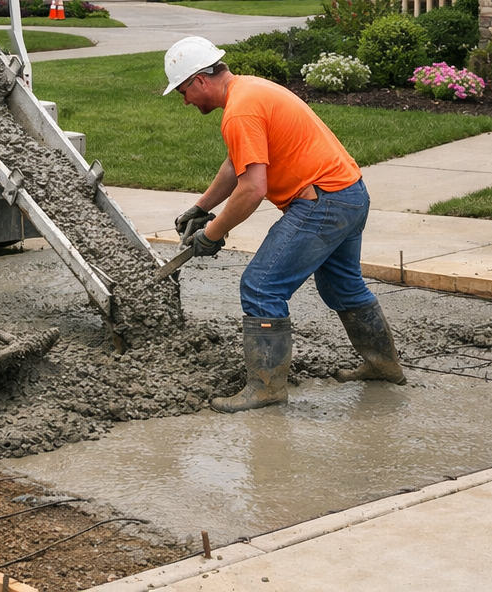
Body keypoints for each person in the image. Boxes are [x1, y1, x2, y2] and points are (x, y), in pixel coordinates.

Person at [163, 35, 405, 413]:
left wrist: (212, 234)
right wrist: (202, 206)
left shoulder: (240, 110)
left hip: (323, 202)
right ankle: (383, 364)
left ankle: (266, 388)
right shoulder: (250, 90)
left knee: (261, 286)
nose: (185, 101)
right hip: (349, 194)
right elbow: (236, 164)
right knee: (342, 285)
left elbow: (252, 188)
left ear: (199, 81)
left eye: (183, 92)